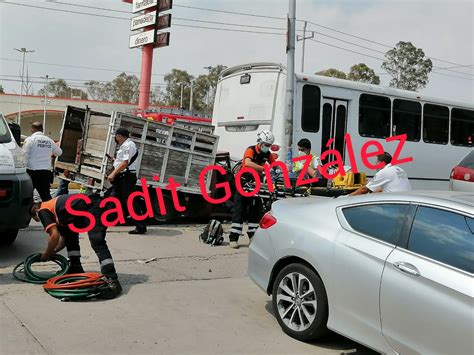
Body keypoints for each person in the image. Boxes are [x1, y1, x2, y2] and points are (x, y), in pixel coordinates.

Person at [31, 194, 122, 299]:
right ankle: (76, 268)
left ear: (35, 212)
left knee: (97, 240)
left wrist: (46, 254)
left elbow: (54, 236)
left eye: (36, 219)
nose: (39, 221)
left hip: (94, 206)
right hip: (90, 206)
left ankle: (112, 280)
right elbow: (64, 240)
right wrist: (53, 251)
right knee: (70, 235)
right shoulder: (57, 213)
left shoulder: (42, 210)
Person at [229, 130, 277, 249]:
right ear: (260, 142)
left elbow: (274, 165)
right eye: (266, 145)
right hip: (243, 181)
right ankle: (233, 237)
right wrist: (264, 169)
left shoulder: (267, 154)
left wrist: (277, 170)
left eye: (269, 146)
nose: (267, 147)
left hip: (256, 183)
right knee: (239, 209)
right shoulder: (250, 149)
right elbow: (247, 163)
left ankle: (253, 237)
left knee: (255, 210)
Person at [106, 128, 147, 235]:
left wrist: (113, 173)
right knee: (112, 199)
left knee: (130, 202)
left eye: (116, 136)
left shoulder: (128, 145)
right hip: (122, 177)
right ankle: (103, 223)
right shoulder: (125, 145)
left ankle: (141, 226)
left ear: (119, 136)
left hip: (126, 178)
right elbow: (123, 161)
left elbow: (125, 163)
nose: (116, 138)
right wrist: (114, 160)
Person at [23, 122, 62, 201]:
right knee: (46, 196)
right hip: (45, 173)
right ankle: (49, 211)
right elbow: (59, 152)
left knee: (27, 195)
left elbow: (24, 155)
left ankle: (28, 212)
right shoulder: (49, 140)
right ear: (42, 129)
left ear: (32, 129)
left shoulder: (30, 139)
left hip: (31, 172)